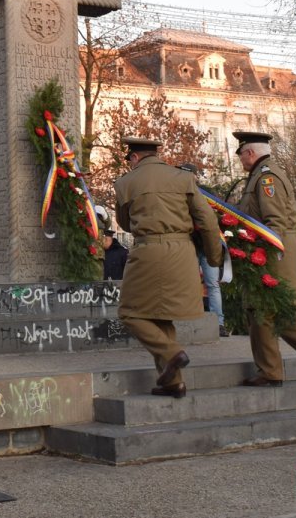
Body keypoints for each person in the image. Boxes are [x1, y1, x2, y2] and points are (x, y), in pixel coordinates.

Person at [113, 137, 222, 399]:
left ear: (135, 158)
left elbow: (125, 223)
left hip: (148, 251)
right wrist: (214, 257)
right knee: (161, 317)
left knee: (131, 313)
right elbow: (206, 220)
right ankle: (173, 382)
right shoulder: (183, 178)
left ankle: (173, 354)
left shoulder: (125, 183)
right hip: (183, 253)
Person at [232, 131, 296, 387]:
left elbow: (273, 222)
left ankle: (274, 369)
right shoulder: (261, 175)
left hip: (273, 253)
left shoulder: (266, 178)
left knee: (261, 309)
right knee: (271, 310)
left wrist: (262, 256)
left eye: (242, 154)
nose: (241, 160)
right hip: (275, 250)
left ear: (250, 153)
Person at [176, 163, 228, 338]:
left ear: (194, 176)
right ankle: (189, 321)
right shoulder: (175, 195)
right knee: (187, 285)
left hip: (206, 245)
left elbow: (215, 218)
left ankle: (218, 323)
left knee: (212, 284)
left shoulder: (205, 193)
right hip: (187, 246)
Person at [96, 207, 129, 281]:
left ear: (109, 239)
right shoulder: (99, 252)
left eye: (103, 239)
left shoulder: (122, 253)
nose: (101, 242)